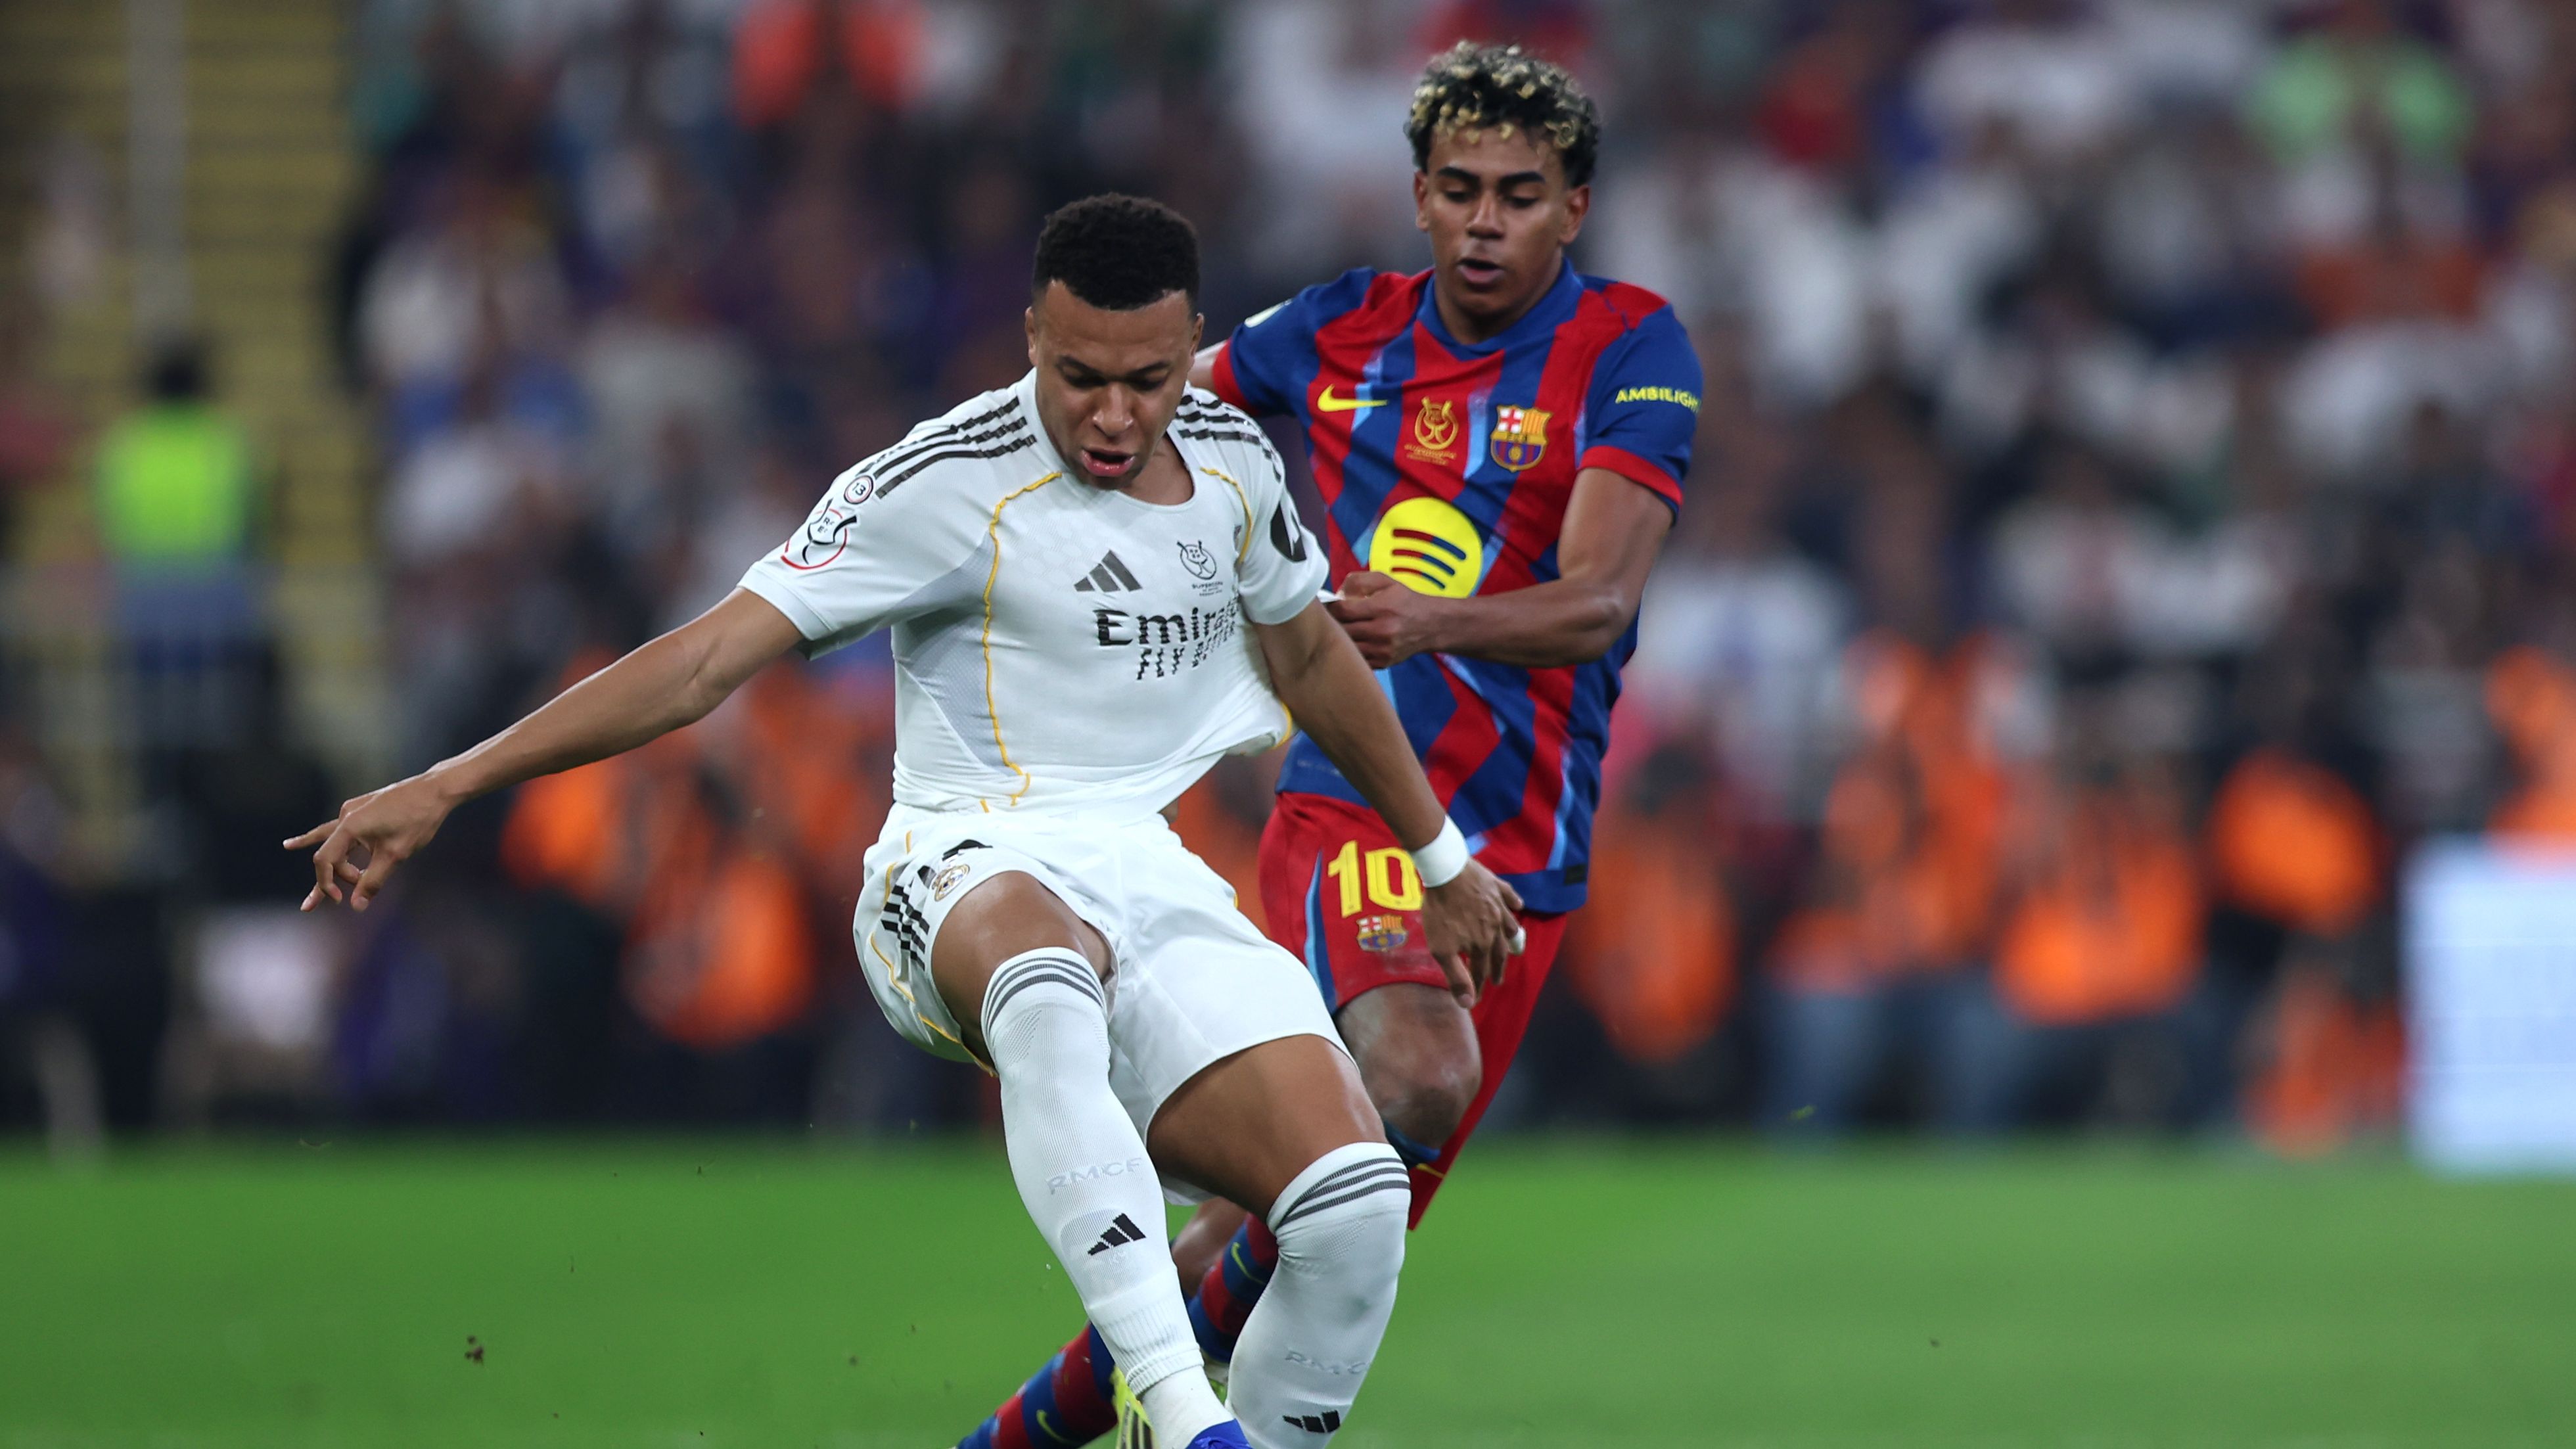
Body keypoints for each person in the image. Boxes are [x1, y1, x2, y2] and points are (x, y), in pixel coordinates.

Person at [287, 195, 1522, 1449]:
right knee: (1045, 972)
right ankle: (1182, 1409)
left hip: (1144, 866)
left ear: (1190, 341)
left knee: (1356, 1198)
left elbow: (1312, 657)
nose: (1113, 414)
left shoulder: (1235, 467)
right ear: (1032, 333)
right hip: (954, 861)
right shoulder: (942, 479)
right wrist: (448, 780)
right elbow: (708, 658)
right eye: (1078, 374)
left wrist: (1439, 856)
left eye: (1147, 380)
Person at [961, 41, 1702, 1449]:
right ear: (1417, 197)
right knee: (1420, 1074)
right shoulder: (1332, 330)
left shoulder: (1632, 346)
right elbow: (1140, 408)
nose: (1487, 221)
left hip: (1529, 849)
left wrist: (1427, 621)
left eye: (1522, 195)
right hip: (1361, 803)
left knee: (1295, 1227)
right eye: (1461, 190)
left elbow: (1599, 602)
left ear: (1575, 210)